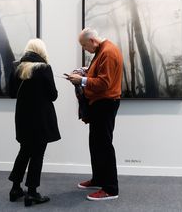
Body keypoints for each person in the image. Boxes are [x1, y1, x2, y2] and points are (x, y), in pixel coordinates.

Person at [67, 28, 123, 201]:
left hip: (105, 104)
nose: (84, 49)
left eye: (84, 45)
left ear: (92, 40)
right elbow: (100, 73)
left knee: (104, 145)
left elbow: (104, 83)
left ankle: (111, 189)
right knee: (95, 143)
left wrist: (81, 80)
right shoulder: (101, 51)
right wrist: (85, 71)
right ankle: (99, 178)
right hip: (99, 104)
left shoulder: (108, 52)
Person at [8, 39, 61, 207]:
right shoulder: (44, 68)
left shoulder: (16, 66)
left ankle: (15, 188)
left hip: (23, 117)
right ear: (41, 51)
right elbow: (53, 95)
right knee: (37, 154)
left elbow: (11, 93)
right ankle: (32, 193)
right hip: (41, 118)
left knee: (24, 151)